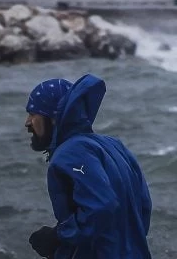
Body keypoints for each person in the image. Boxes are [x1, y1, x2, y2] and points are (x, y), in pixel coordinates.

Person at [24, 74, 153, 259]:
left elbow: (101, 206)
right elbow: (144, 204)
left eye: (32, 113)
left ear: (52, 116)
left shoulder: (70, 152)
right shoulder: (113, 144)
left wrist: (58, 236)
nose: (27, 122)